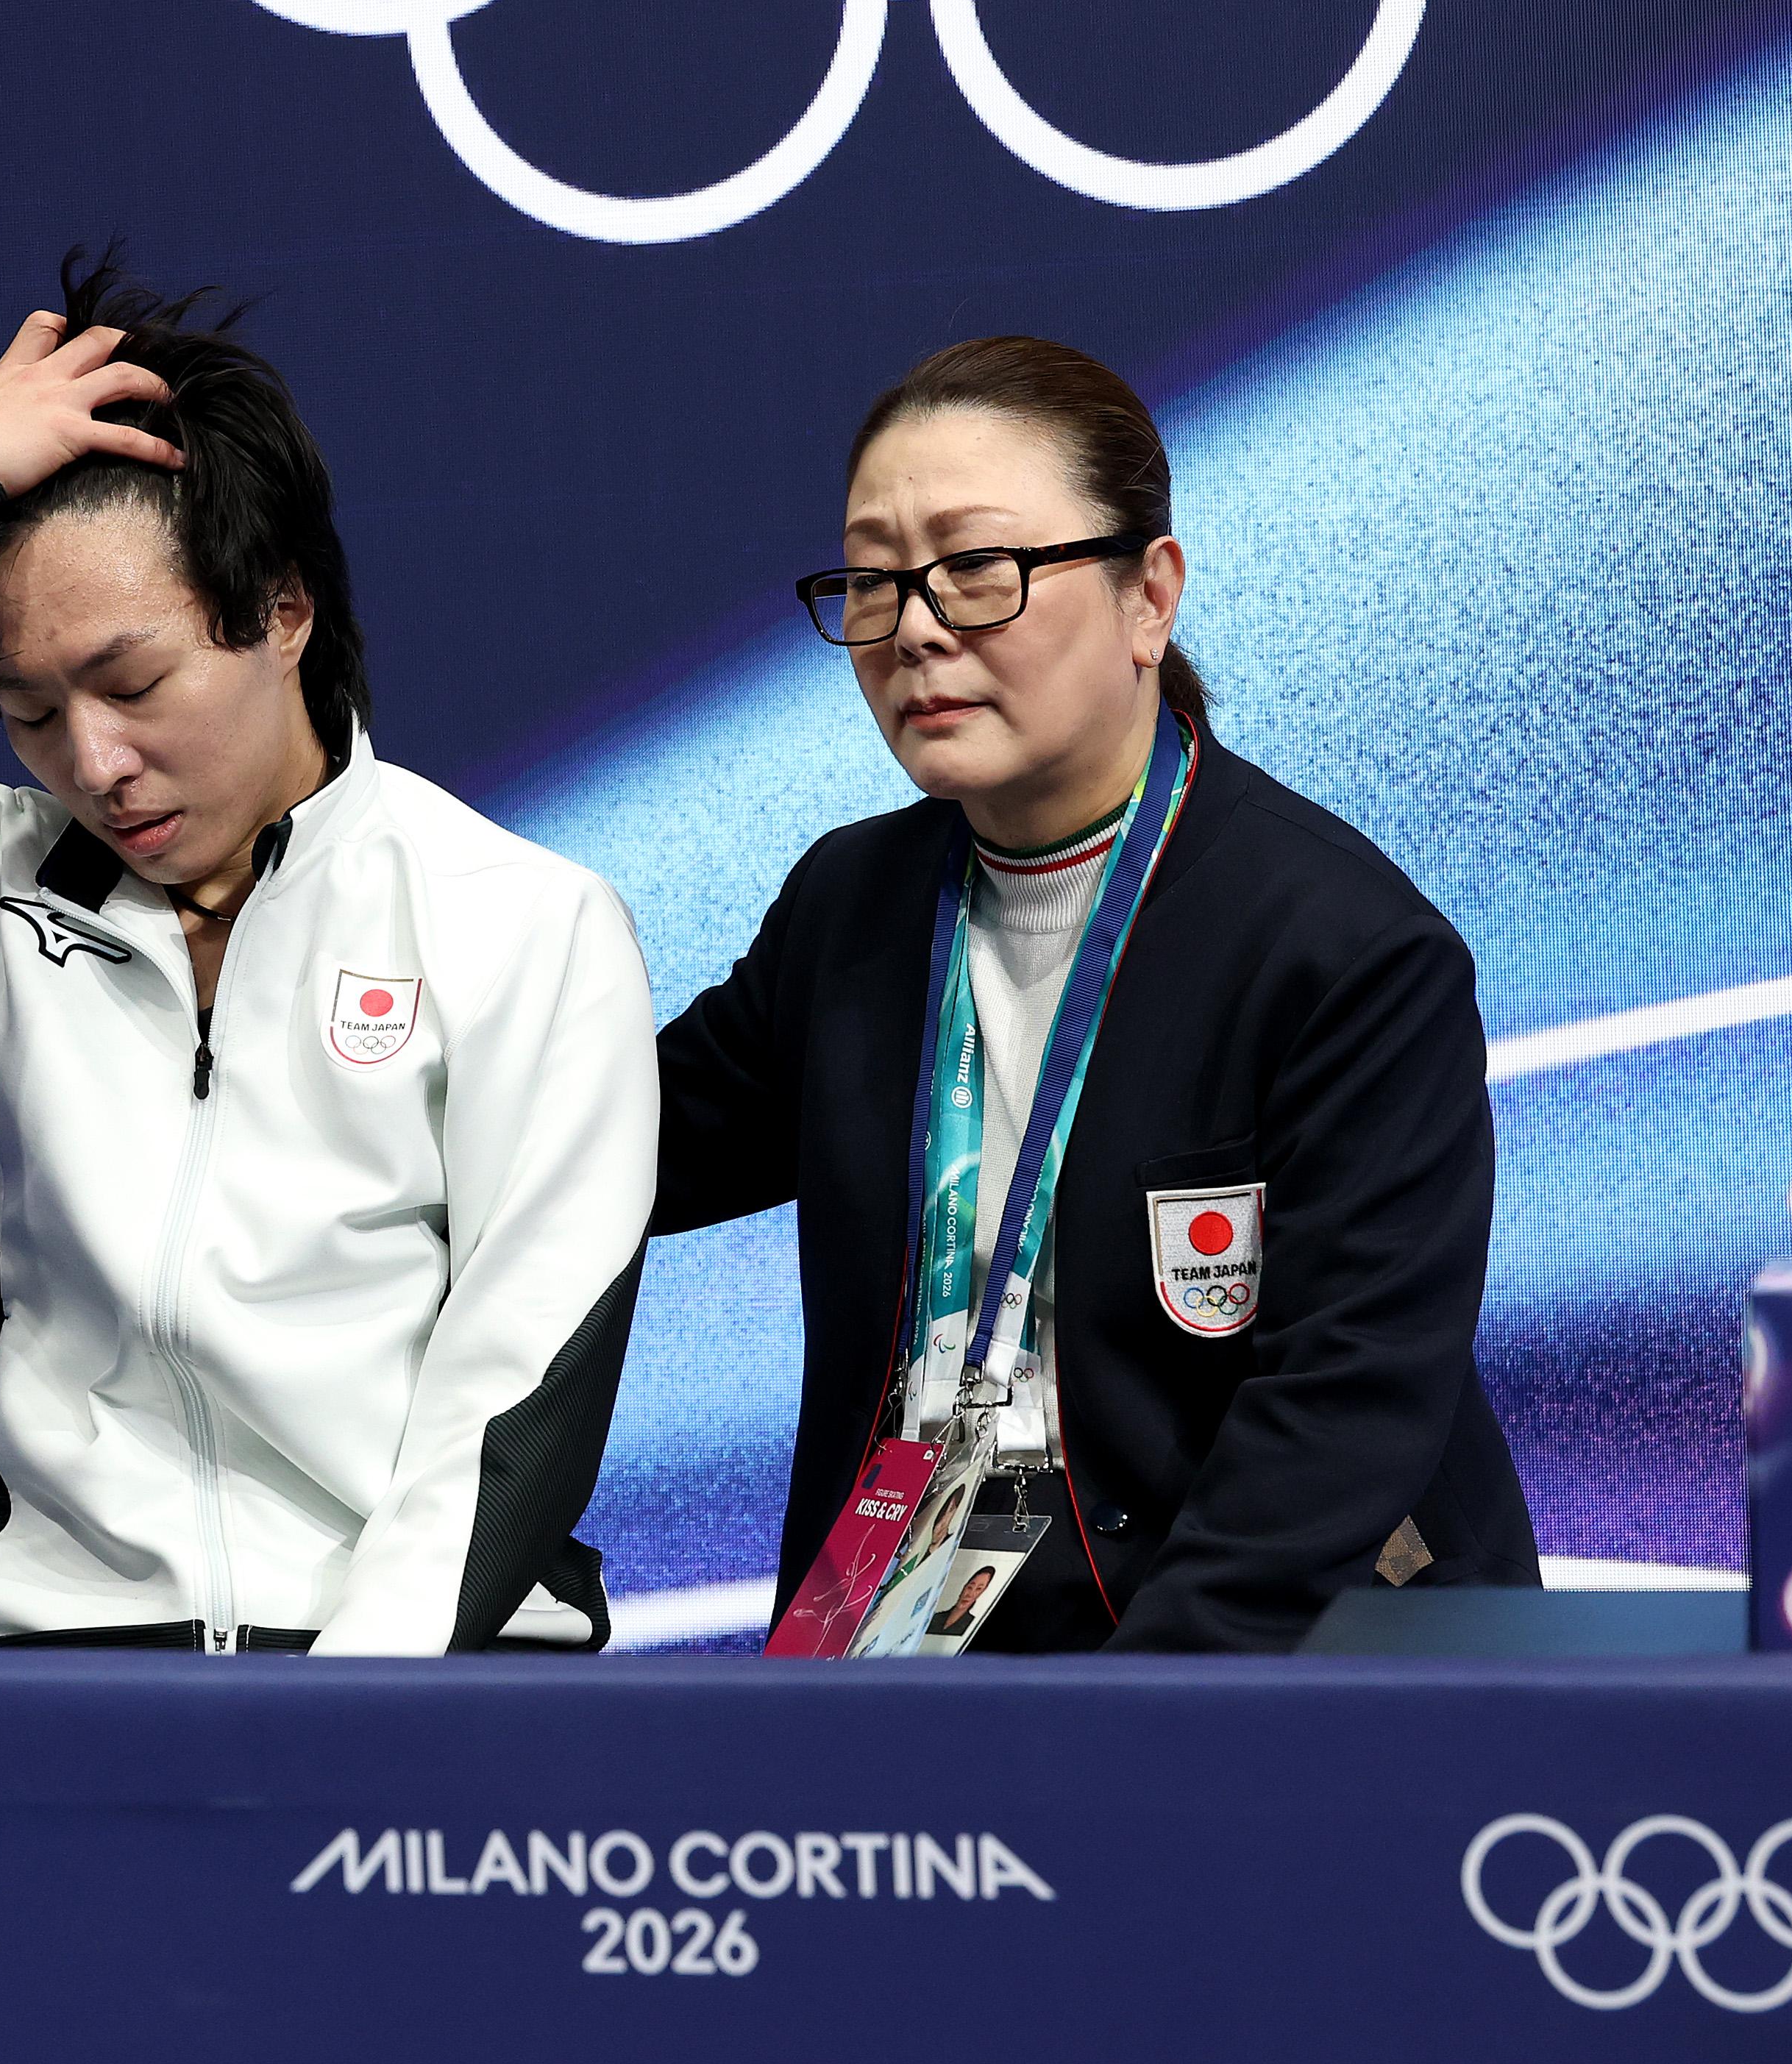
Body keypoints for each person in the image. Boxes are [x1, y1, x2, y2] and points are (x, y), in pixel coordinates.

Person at [0, 258, 655, 1652]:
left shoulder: (519, 919)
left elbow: (517, 1377)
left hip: (426, 1685)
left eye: (132, 684)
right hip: (58, 1684)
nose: (96, 763)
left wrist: (352, 1727)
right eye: (26, 712)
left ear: (284, 612)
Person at [655, 336, 1537, 1652]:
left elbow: (1342, 1406)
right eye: (875, 578)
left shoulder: (1343, 950)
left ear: (1148, 597)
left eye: (976, 571)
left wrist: (1130, 1728)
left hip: (1270, 1660)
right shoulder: (852, 907)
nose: (914, 629)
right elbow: (613, 1150)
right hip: (926, 1635)